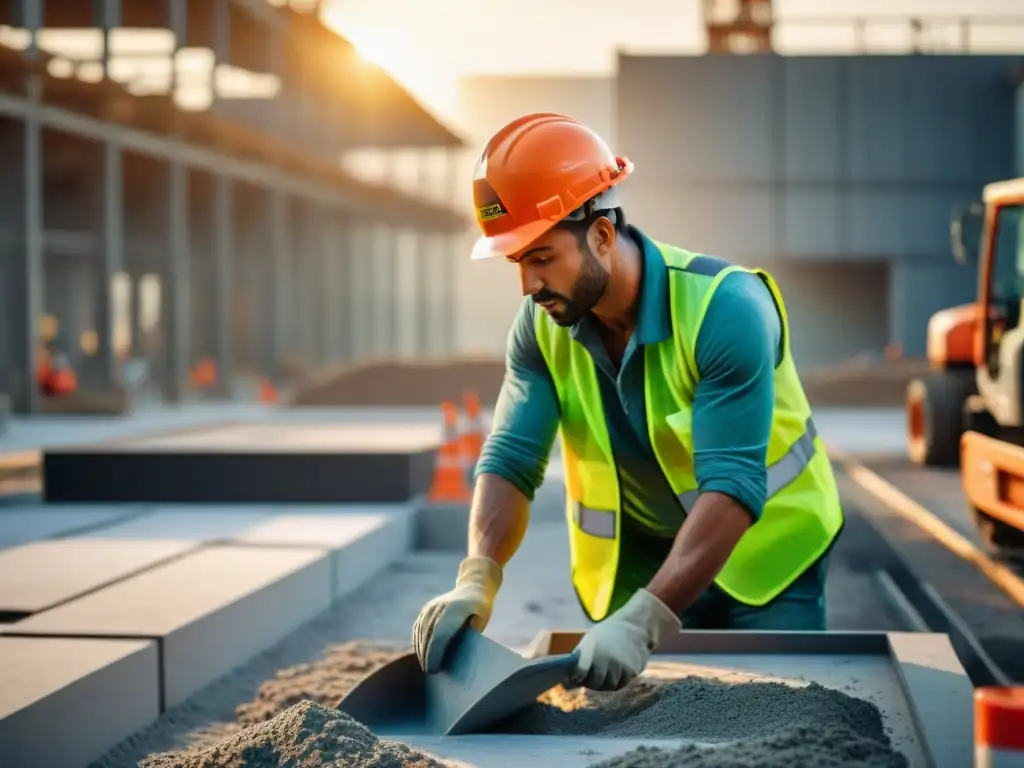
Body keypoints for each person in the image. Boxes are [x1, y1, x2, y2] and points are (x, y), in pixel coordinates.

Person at [412, 113, 845, 692]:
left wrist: (643, 624)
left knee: (785, 713)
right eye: (518, 264)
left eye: (541, 258)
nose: (528, 286)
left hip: (768, 558)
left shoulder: (726, 310)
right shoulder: (541, 327)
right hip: (638, 561)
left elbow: (733, 486)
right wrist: (478, 576)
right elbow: (511, 457)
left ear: (601, 235)